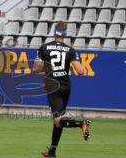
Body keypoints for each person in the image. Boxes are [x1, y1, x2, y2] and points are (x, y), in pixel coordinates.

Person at [33, 21, 91, 158]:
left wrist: (48, 69)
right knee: (58, 119)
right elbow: (80, 71)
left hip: (53, 86)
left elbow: (36, 69)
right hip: (66, 87)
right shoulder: (70, 50)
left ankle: (80, 123)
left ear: (54, 33)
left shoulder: (44, 48)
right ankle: (52, 152)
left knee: (58, 120)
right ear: (65, 35)